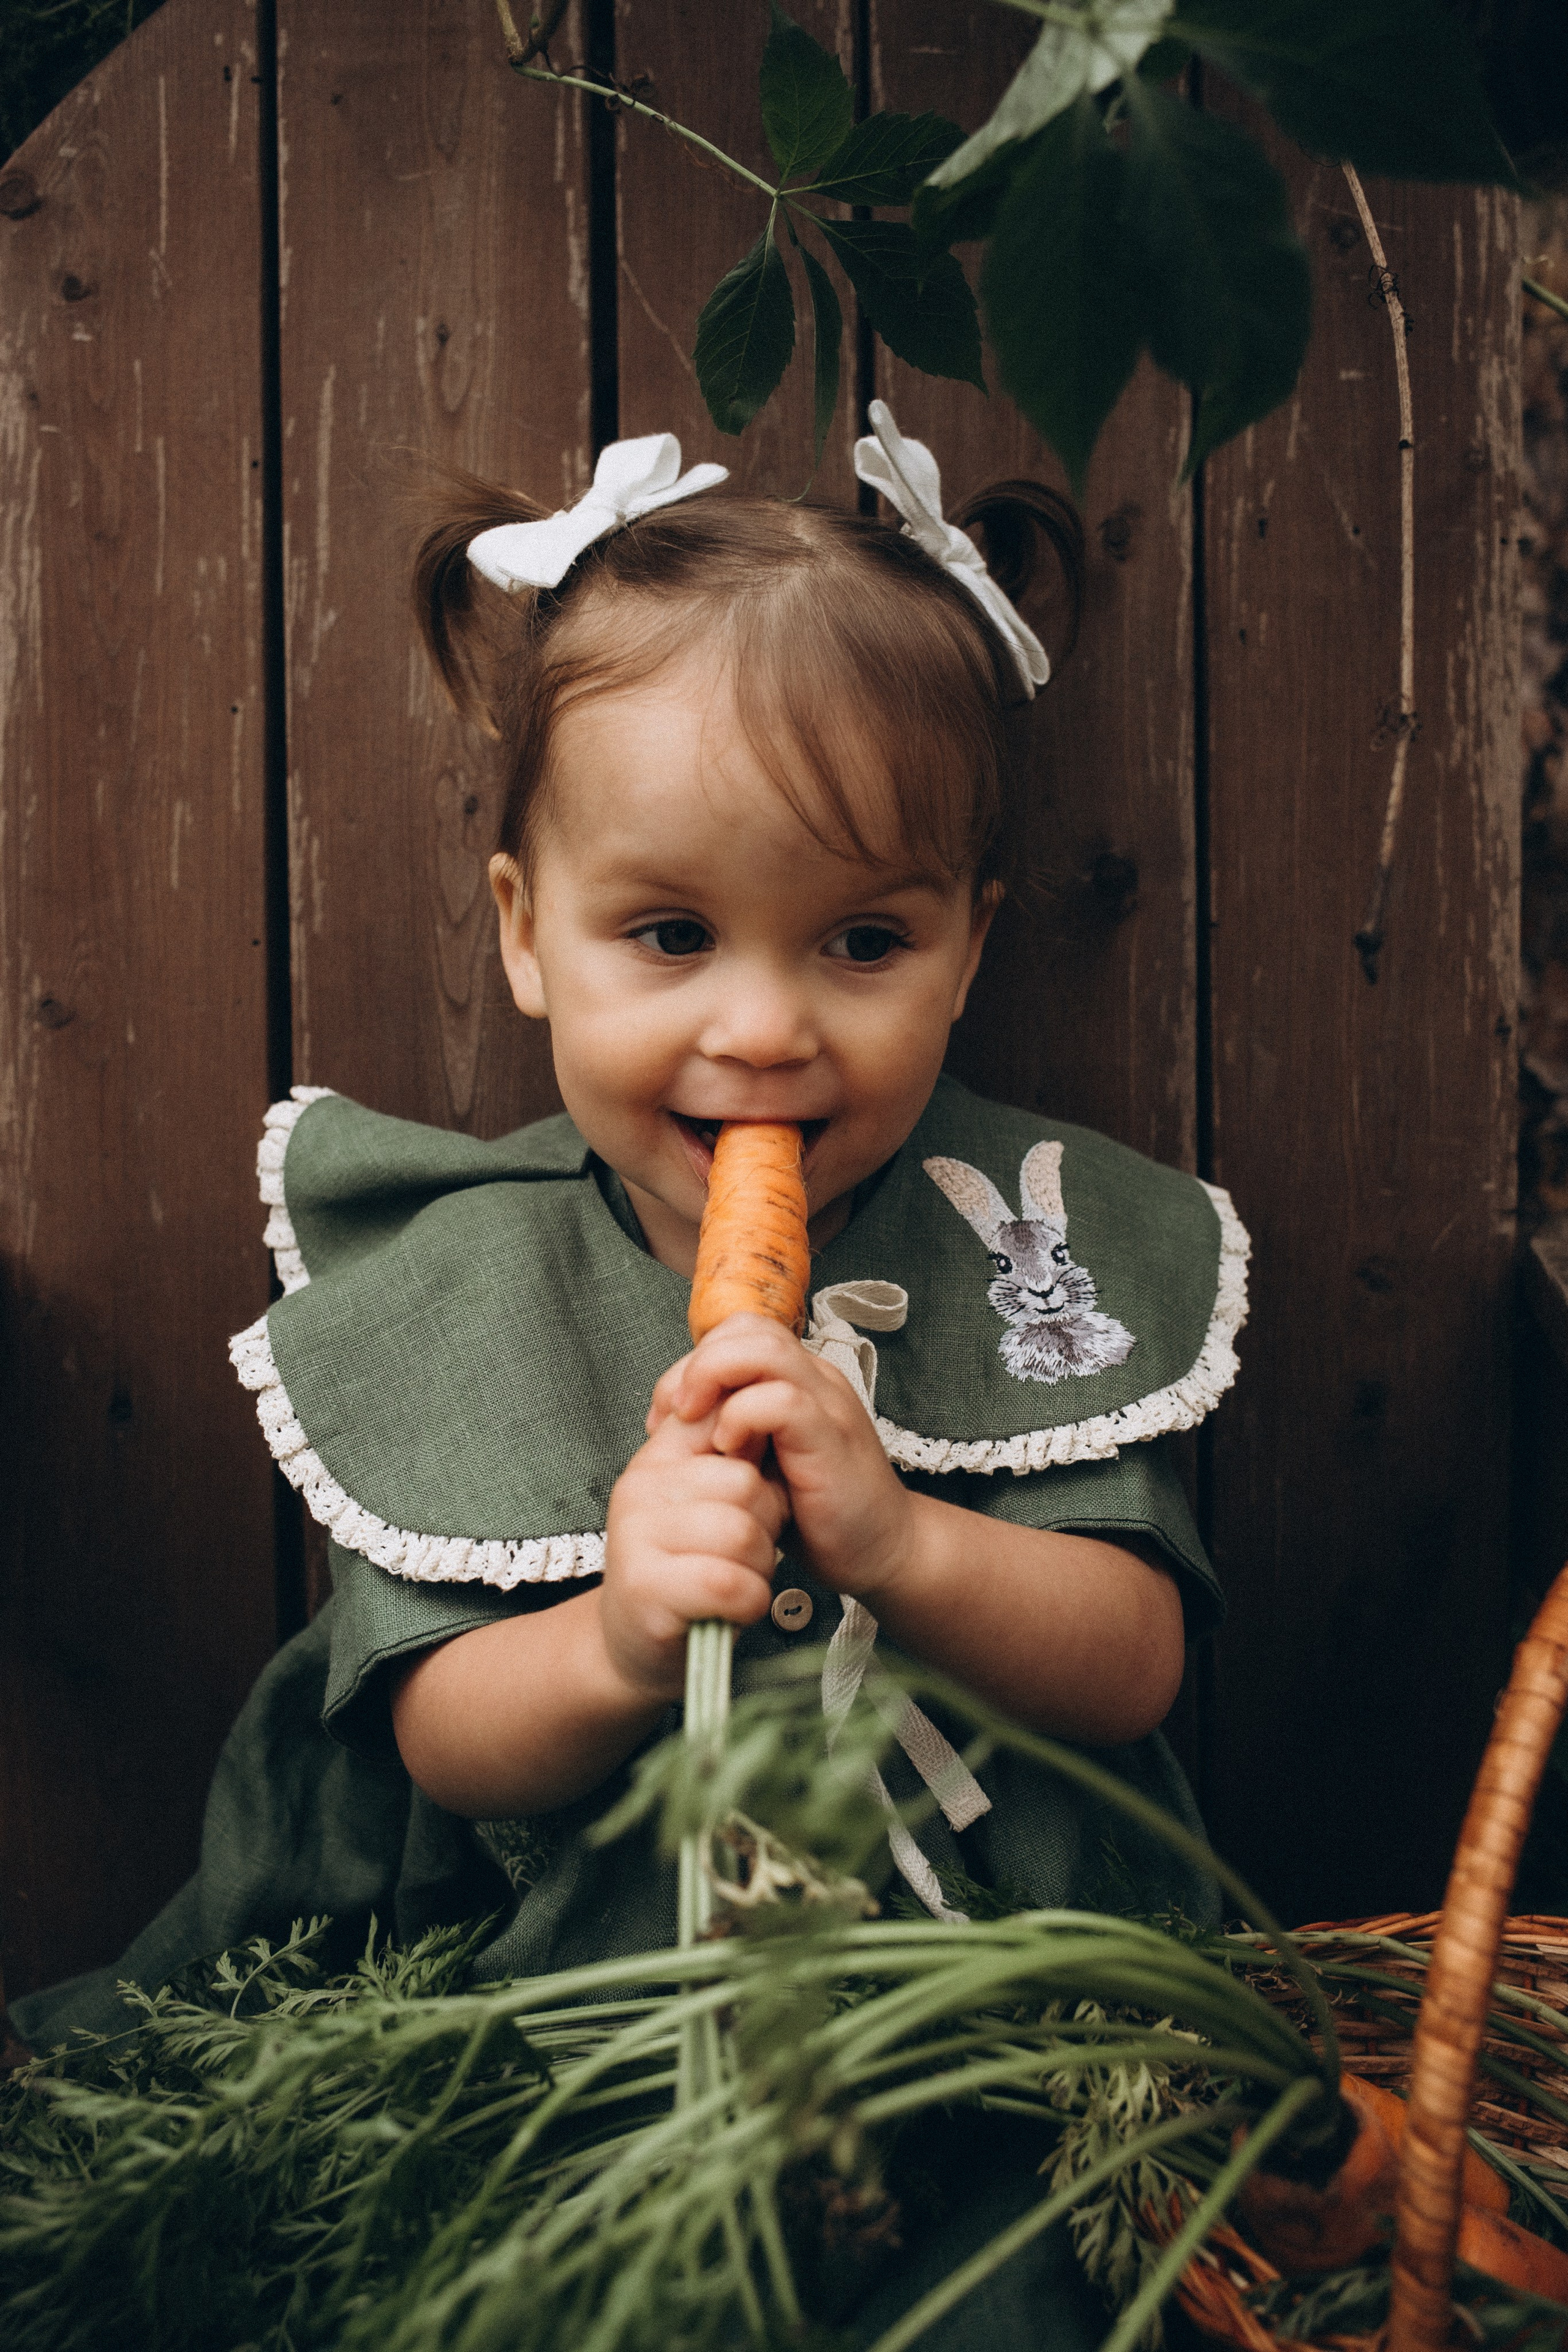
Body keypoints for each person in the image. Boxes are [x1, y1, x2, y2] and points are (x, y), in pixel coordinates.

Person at [8, 405, 1247, 2343]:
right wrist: (605, 1638)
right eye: (668, 935)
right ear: (527, 937)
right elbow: (429, 1733)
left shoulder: (1034, 1236)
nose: (761, 1027)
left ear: (970, 948)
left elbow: (1138, 1664)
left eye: (861, 940)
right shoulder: (467, 1275)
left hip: (988, 2026)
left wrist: (912, 1547)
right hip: (577, 2007)